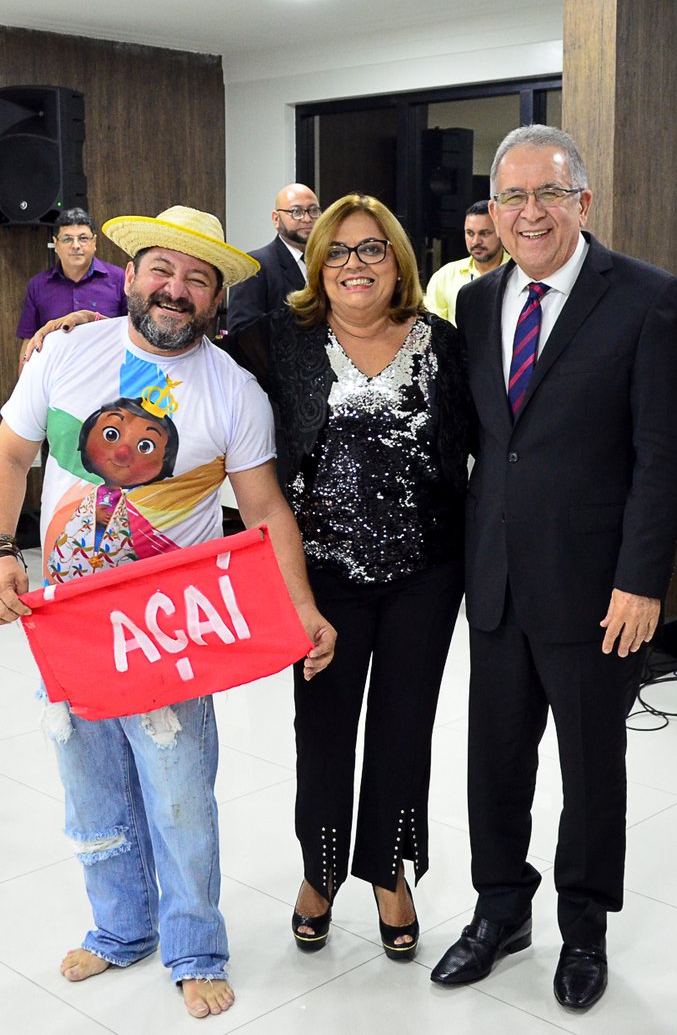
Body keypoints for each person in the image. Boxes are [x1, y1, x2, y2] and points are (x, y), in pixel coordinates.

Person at [0, 205, 336, 1019]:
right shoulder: (67, 354)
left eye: (197, 280)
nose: (176, 290)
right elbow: (9, 456)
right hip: (68, 626)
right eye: (162, 271)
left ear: (216, 300)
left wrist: (302, 608)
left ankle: (195, 947)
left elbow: (266, 510)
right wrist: (0, 554)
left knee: (178, 796)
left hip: (168, 631)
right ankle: (120, 928)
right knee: (91, 790)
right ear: (132, 276)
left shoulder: (234, 392)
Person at [429, 124, 677, 1013]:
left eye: (548, 193)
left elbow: (664, 455)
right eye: (512, 196)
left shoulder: (646, 297)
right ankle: (500, 909)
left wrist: (643, 580)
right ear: (492, 209)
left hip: (597, 588)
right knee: (494, 762)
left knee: (591, 768)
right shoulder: (475, 303)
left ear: (583, 200)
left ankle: (584, 928)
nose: (529, 212)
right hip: (498, 578)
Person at [220, 193, 472, 963]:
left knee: (404, 726)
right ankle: (321, 873)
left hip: (427, 571)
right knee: (323, 729)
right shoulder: (276, 338)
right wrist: (84, 330)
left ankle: (389, 873)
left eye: (370, 249)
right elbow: (184, 354)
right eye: (336, 250)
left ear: (397, 259)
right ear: (316, 263)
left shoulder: (443, 343)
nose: (353, 264)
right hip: (319, 576)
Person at [14, 207, 126, 347]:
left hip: (108, 359)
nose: (76, 245)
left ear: (94, 243)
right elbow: (29, 342)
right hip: (57, 361)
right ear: (56, 244)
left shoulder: (120, 279)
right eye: (67, 239)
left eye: (83, 238)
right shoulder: (38, 285)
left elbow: (133, 332)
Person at [227, 183, 320, 336]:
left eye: (313, 210)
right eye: (296, 211)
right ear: (276, 219)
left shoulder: (329, 262)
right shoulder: (253, 266)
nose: (307, 218)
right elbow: (242, 334)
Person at [422, 200, 509, 325]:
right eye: (470, 233)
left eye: (485, 233)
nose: (476, 241)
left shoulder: (518, 272)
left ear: (501, 231)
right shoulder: (445, 276)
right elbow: (434, 329)